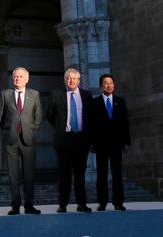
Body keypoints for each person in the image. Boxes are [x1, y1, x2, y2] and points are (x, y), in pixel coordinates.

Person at [0, 67, 43, 215]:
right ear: (13, 78)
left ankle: (29, 205)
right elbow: (0, 116)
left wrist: (31, 129)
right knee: (13, 175)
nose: (17, 79)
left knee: (29, 174)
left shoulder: (34, 94)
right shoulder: (5, 94)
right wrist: (6, 130)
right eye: (15, 76)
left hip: (28, 139)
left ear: (27, 79)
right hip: (11, 140)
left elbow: (38, 116)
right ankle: (15, 206)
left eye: (21, 77)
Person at [47, 68, 92, 213]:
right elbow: (50, 115)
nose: (71, 80)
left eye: (74, 78)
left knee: (80, 174)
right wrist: (60, 127)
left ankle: (82, 204)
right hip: (64, 140)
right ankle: (63, 204)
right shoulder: (56, 94)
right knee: (64, 174)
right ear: (65, 80)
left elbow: (90, 118)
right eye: (68, 78)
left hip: (81, 140)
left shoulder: (87, 95)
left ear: (79, 81)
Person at [91, 74, 130, 211]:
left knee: (117, 173)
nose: (109, 85)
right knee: (101, 173)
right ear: (101, 86)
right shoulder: (95, 103)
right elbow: (92, 125)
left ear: (114, 85)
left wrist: (125, 142)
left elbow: (125, 123)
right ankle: (102, 202)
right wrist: (92, 143)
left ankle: (118, 202)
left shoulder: (120, 101)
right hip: (101, 145)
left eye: (111, 83)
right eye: (106, 83)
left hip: (117, 144)